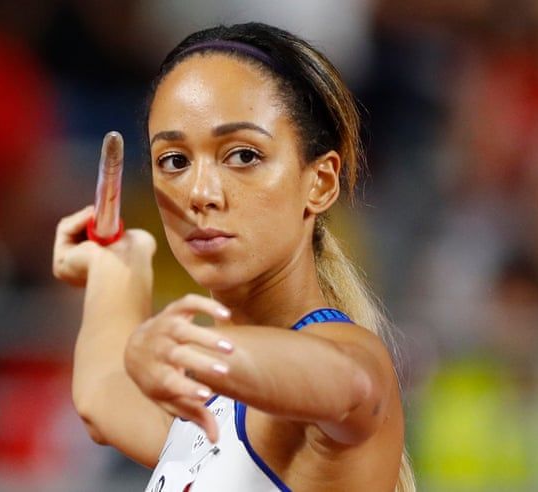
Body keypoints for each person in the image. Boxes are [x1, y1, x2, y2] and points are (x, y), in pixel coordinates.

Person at [52, 22, 414, 491]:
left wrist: (188, 350)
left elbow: (349, 385)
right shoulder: (206, 412)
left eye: (243, 155)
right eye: (175, 161)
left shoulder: (348, 354)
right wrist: (116, 265)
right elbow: (103, 397)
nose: (200, 193)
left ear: (320, 182)